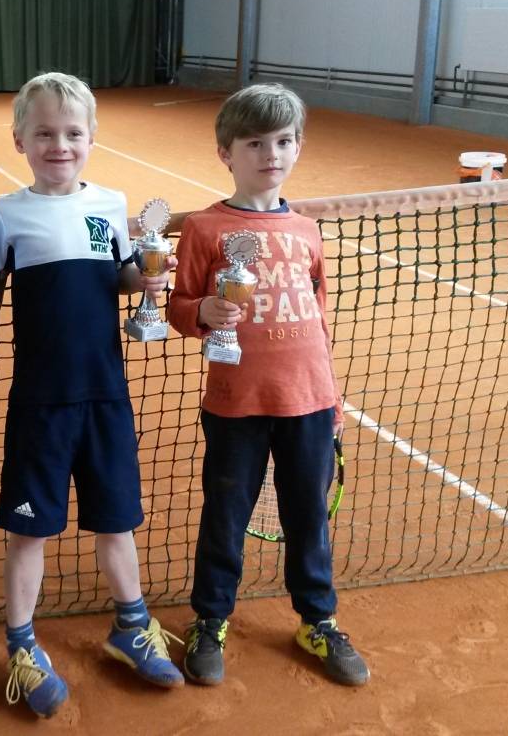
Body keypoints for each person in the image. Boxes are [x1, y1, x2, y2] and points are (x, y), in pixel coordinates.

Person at [0, 72, 183, 719]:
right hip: (40, 402)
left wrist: (146, 276)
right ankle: (20, 644)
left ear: (90, 137)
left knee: (116, 517)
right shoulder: (6, 214)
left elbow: (118, 275)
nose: (57, 144)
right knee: (26, 533)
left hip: (105, 397)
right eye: (43, 133)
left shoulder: (110, 205)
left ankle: (130, 623)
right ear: (19, 140)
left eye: (71, 133)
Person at [166, 83, 370, 688]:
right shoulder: (205, 228)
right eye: (255, 142)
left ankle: (317, 618)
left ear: (298, 147)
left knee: (308, 515)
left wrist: (332, 401)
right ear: (227, 153)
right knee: (226, 514)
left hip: (309, 401)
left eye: (283, 141)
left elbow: (320, 315)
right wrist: (204, 310)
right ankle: (210, 619)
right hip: (236, 405)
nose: (270, 154)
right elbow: (177, 309)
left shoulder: (307, 230)